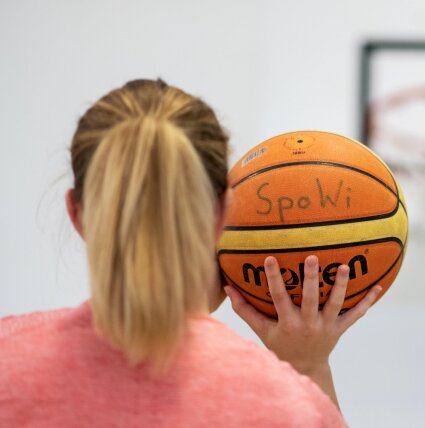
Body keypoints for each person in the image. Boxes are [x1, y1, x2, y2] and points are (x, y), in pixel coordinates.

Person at [0, 79, 382, 427]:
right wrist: (306, 365)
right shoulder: (283, 404)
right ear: (221, 214)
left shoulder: (8, 359)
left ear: (76, 214)